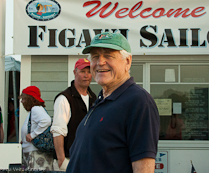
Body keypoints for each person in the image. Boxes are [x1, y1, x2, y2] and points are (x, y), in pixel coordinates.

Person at [66, 32, 160, 173]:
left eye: (108, 55)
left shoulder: (138, 101)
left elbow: (144, 168)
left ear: (127, 62)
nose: (100, 62)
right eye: (95, 56)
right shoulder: (100, 100)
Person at [50, 58, 97, 171]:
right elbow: (58, 131)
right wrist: (61, 160)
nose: (86, 75)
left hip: (88, 160)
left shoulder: (94, 98)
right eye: (82, 71)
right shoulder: (64, 99)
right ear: (74, 72)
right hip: (68, 160)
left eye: (89, 71)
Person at [20, 86, 54, 170]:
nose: (21, 101)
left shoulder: (36, 109)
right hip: (32, 153)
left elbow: (47, 121)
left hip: (36, 154)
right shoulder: (34, 110)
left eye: (23, 99)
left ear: (29, 99)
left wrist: (32, 135)